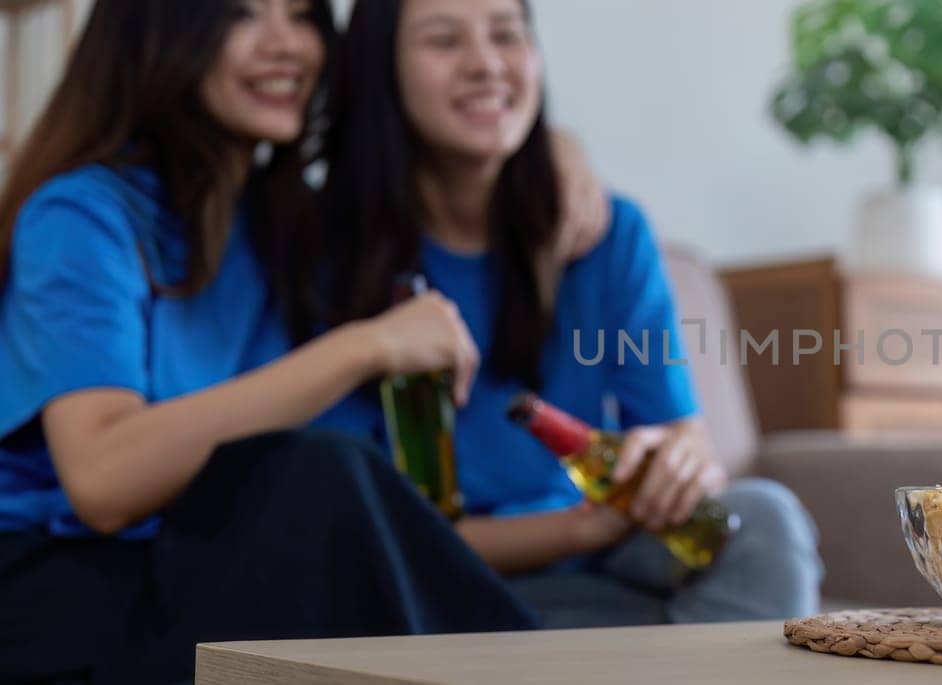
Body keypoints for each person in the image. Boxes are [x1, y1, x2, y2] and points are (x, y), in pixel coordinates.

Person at [0, 0, 620, 680]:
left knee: (328, 496)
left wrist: (556, 150)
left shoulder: (281, 222)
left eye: (301, 16)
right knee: (317, 474)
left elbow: (416, 156)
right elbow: (103, 479)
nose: (287, 45)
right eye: (242, 14)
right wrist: (363, 346)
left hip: (191, 568)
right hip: (63, 591)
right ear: (162, 31)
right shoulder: (82, 216)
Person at [309, 0, 822, 628]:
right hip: (433, 587)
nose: (487, 64)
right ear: (379, 70)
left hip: (605, 571)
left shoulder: (607, 233)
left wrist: (684, 463)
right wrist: (580, 530)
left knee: (763, 518)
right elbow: (368, 533)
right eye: (444, 41)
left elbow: (681, 435)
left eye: (507, 34)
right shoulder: (323, 256)